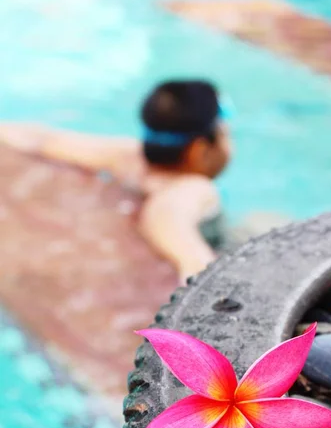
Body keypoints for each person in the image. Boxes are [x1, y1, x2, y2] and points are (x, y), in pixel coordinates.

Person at [0, 80, 232, 283]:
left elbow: (43, 140)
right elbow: (166, 216)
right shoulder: (193, 186)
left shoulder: (128, 157)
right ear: (200, 150)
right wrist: (194, 260)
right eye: (225, 135)